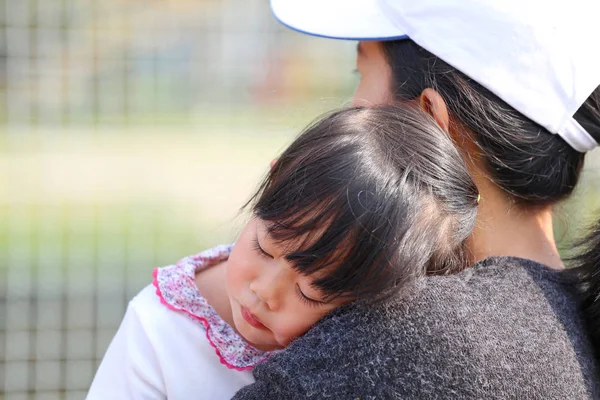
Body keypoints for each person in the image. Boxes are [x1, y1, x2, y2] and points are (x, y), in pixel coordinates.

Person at [232, 0, 600, 398]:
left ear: (431, 123)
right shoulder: (572, 328)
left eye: (362, 75)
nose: (350, 109)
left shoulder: (398, 337)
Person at [85, 105, 479, 399]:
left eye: (310, 291)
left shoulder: (383, 346)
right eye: (264, 246)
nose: (265, 291)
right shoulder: (158, 331)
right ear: (273, 180)